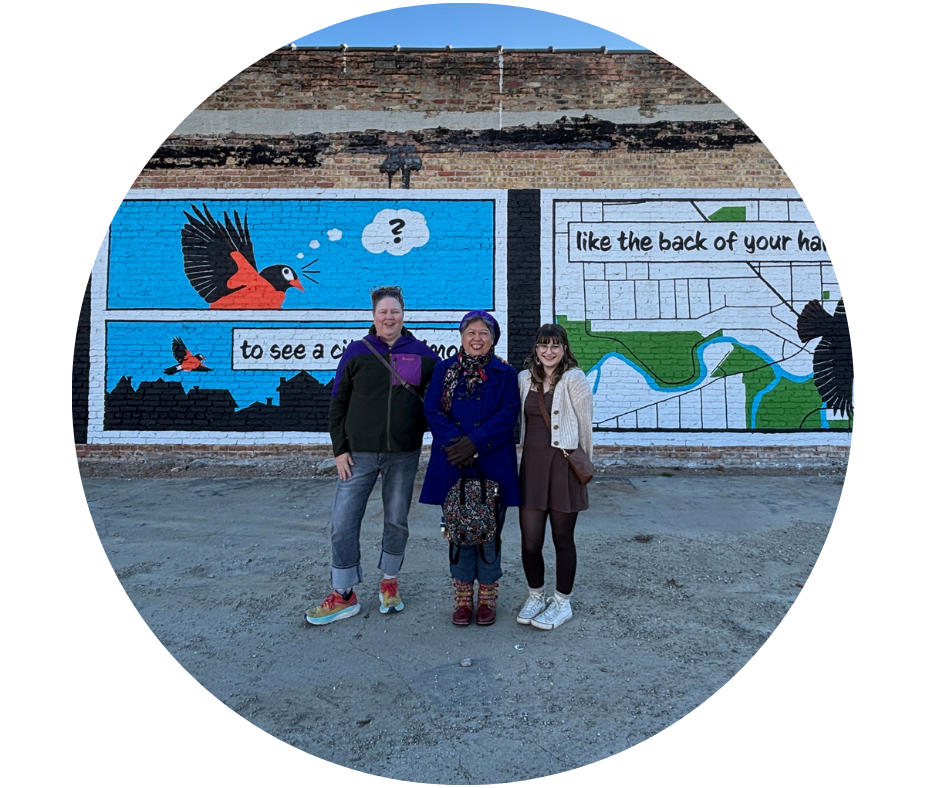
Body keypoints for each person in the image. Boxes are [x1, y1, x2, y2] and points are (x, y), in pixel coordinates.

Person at [304, 286, 441, 625]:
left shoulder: (423, 355)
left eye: (394, 311)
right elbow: (338, 403)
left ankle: (389, 582)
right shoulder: (355, 353)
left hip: (403, 455)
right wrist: (339, 450)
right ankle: (344, 594)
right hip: (358, 456)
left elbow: (439, 399)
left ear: (403, 315)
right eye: (383, 312)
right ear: (374, 316)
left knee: (396, 521)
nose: (389, 317)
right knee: (342, 523)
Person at [420, 311, 521, 626]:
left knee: (490, 530)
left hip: (492, 463)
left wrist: (474, 443)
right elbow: (432, 408)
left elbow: (509, 413)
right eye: (470, 332)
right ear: (461, 337)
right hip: (454, 464)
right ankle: (463, 595)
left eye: (484, 333)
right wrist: (457, 444)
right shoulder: (444, 370)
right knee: (458, 530)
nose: (477, 338)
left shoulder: (504, 373)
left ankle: (488, 593)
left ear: (493, 339)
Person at [515, 323, 593, 630]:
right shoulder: (524, 380)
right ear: (536, 349)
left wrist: (583, 467)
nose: (549, 351)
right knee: (530, 541)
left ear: (564, 350)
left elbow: (585, 426)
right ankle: (536, 595)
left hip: (563, 468)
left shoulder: (574, 379)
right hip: (532, 468)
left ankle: (562, 602)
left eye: (555, 346)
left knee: (562, 539)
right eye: (544, 345)